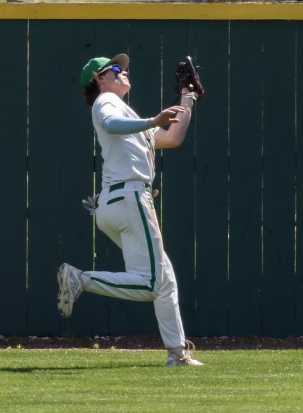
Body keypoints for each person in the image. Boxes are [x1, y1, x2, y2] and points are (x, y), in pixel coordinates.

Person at [56, 53, 203, 367]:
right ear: (99, 78)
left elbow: (173, 137)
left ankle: (177, 354)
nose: (122, 71)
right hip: (130, 198)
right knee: (151, 283)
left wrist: (187, 98)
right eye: (115, 68)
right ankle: (81, 279)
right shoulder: (105, 102)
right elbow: (112, 123)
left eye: (122, 68)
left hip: (118, 201)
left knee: (164, 280)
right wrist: (152, 120)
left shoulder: (128, 113)